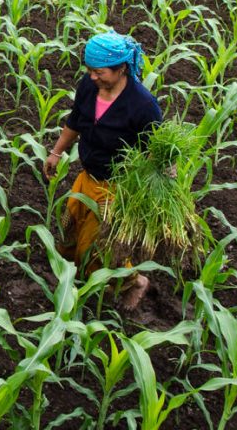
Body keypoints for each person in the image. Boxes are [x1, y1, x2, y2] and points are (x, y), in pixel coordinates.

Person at [43, 31, 162, 311]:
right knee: (68, 231)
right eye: (90, 71)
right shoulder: (89, 86)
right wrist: (56, 152)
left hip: (115, 187)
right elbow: (76, 121)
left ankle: (134, 282)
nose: (93, 77)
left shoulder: (142, 105)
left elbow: (155, 152)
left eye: (100, 72)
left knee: (99, 249)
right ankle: (76, 280)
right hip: (87, 177)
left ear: (122, 68)